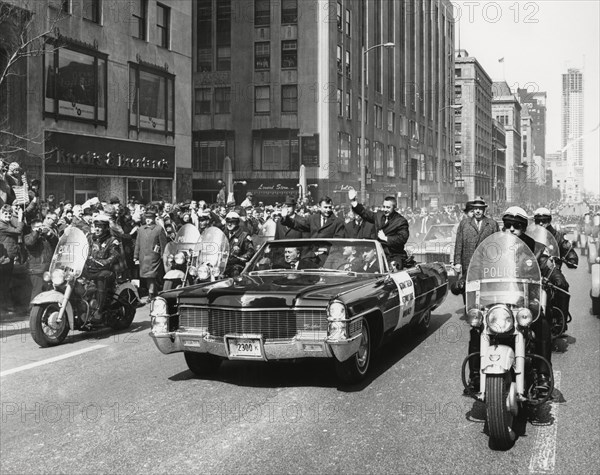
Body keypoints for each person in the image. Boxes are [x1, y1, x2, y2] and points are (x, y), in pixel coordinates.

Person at [465, 206, 553, 396]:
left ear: (524, 227)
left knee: (543, 323)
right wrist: (464, 280)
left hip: (525, 301)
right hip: (497, 300)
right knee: (477, 325)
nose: (512, 229)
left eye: (517, 226)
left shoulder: (537, 249)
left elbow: (547, 266)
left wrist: (551, 276)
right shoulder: (491, 248)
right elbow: (478, 267)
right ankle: (474, 374)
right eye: (508, 225)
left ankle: (543, 375)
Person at [348, 189, 409, 267]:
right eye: (383, 207)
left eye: (388, 207)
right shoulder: (379, 215)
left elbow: (402, 238)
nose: (385, 210)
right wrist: (353, 201)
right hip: (379, 255)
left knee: (394, 271)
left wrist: (386, 238)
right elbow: (365, 213)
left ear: (395, 208)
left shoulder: (401, 221)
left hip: (394, 255)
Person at [453, 196, 499, 299]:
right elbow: (459, 244)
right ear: (473, 210)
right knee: (469, 290)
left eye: (480, 209)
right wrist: (457, 262)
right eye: (476, 209)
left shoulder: (492, 224)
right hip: (468, 263)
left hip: (487, 265)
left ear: (484, 210)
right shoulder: (464, 224)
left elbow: (497, 245)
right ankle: (469, 311)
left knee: (485, 292)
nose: (478, 211)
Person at [85, 213, 122, 317]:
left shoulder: (112, 240)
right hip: (90, 269)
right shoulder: (90, 238)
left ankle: (99, 309)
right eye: (96, 226)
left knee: (102, 277)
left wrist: (105, 262)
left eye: (100, 227)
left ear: (106, 228)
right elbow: (81, 249)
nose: (97, 229)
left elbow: (115, 255)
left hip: (106, 270)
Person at [134, 210, 168, 302]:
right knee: (147, 277)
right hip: (143, 257)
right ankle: (154, 292)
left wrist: (163, 256)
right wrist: (135, 256)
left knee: (151, 276)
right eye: (147, 218)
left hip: (153, 257)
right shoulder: (141, 229)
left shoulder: (158, 229)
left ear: (154, 219)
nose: (148, 220)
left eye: (150, 218)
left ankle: (151, 294)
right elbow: (138, 243)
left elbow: (163, 244)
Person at [280, 196, 345, 238]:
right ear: (319, 207)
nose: (327, 210)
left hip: (328, 256)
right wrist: (286, 218)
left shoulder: (338, 222)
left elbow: (337, 243)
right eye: (325, 207)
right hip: (313, 256)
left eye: (329, 207)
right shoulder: (312, 219)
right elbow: (298, 225)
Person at [0, 204, 24, 313]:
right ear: (1, 214)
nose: (8, 216)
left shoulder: (6, 223)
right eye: (5, 214)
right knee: (4, 282)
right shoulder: (2, 225)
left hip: (8, 256)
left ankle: (5, 306)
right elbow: (18, 230)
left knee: (6, 282)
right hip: (5, 257)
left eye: (9, 214)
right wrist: (20, 217)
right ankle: (3, 307)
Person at [223, 211, 255, 277]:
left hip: (236, 265)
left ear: (237, 222)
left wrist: (241, 258)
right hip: (223, 265)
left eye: (232, 222)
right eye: (228, 222)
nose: (229, 224)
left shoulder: (244, 236)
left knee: (235, 271)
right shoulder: (223, 235)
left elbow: (251, 251)